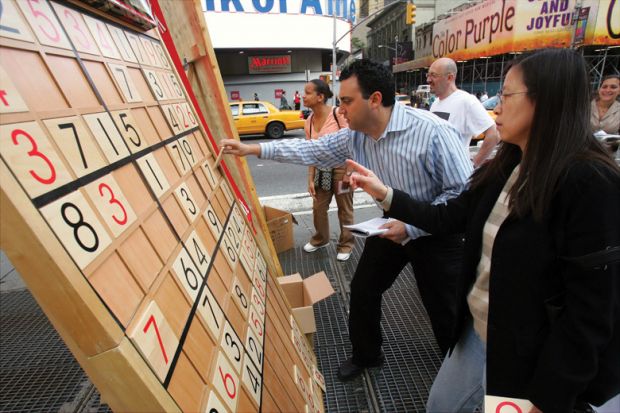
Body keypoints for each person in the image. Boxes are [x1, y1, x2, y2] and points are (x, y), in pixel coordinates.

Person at [346, 49, 620, 413]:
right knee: (441, 406)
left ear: (547, 100)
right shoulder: (508, 164)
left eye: (507, 95)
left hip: (528, 350)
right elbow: (449, 217)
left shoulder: (589, 182)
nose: (496, 109)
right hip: (478, 332)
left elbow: (591, 310)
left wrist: (547, 396)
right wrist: (385, 195)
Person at [221, 59, 472, 380]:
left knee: (443, 308)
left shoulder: (433, 132)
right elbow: (312, 150)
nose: (340, 111)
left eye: (347, 101)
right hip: (390, 225)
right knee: (364, 288)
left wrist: (410, 226)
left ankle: (456, 377)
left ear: (376, 100)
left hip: (436, 233)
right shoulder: (356, 135)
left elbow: (462, 196)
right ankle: (366, 355)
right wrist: (253, 149)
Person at [302, 79, 354, 261]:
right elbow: (310, 152)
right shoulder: (308, 121)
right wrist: (310, 178)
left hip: (341, 170)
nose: (303, 96)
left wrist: (349, 172)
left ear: (320, 97)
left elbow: (352, 143)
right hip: (321, 171)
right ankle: (320, 239)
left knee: (344, 209)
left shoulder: (337, 114)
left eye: (308, 92)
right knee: (318, 207)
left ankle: (346, 244)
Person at [428, 57, 500, 167]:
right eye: (428, 75)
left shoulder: (467, 101)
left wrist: (473, 165)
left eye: (433, 75)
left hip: (455, 178)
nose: (428, 80)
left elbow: (493, 134)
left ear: (450, 77)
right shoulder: (435, 103)